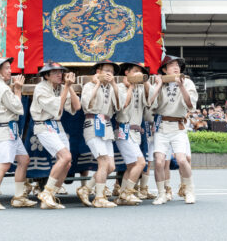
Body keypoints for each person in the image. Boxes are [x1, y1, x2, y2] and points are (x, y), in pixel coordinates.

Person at [0, 56, 37, 210]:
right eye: (6, 68)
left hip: (8, 129)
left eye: (9, 68)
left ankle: (19, 196)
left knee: (24, 159)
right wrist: (18, 90)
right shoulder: (2, 88)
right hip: (3, 128)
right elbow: (18, 108)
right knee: (4, 164)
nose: (10, 71)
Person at [31, 60, 80, 209]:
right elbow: (56, 106)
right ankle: (46, 192)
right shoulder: (40, 88)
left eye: (61, 72)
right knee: (66, 156)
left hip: (57, 126)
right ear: (46, 75)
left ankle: (50, 196)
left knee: (67, 163)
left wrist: (69, 87)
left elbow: (76, 106)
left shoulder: (61, 88)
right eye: (56, 73)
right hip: (44, 125)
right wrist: (66, 87)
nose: (60, 75)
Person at [149, 55, 198, 205]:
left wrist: (181, 85)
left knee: (182, 159)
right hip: (162, 126)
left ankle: (189, 191)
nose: (176, 67)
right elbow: (150, 103)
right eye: (171, 65)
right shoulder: (160, 83)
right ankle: (162, 193)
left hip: (178, 126)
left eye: (177, 65)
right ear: (164, 70)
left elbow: (190, 104)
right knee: (158, 161)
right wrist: (157, 85)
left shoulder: (188, 82)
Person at [78, 59, 120, 208]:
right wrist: (96, 84)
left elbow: (120, 105)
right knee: (103, 162)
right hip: (93, 124)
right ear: (98, 72)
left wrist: (114, 84)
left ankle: (86, 188)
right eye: (107, 70)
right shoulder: (89, 85)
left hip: (106, 127)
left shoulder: (111, 87)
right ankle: (99, 197)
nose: (110, 74)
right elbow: (86, 103)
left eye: (112, 71)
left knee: (111, 166)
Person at [113, 61, 149, 206]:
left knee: (131, 165)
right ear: (127, 72)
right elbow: (123, 105)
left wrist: (144, 81)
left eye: (140, 71)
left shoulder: (140, 87)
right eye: (135, 71)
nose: (138, 73)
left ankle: (122, 196)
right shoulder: (120, 87)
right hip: (123, 129)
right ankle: (128, 192)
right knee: (140, 163)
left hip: (135, 132)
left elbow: (150, 100)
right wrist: (130, 87)